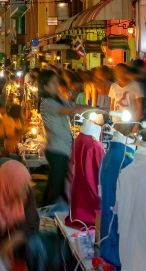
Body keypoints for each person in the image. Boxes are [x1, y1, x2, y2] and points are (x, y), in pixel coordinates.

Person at [0, 160, 58, 270]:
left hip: (12, 240)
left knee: (36, 244)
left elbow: (31, 224)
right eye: (20, 185)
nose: (25, 190)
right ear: (8, 184)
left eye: (25, 185)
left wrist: (11, 243)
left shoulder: (26, 193)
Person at [38, 69, 97, 205]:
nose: (57, 85)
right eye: (53, 83)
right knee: (56, 188)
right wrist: (94, 110)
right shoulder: (47, 103)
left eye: (56, 82)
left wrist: (94, 108)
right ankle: (48, 214)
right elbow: (70, 111)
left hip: (63, 149)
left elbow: (73, 105)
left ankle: (46, 212)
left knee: (55, 184)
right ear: (45, 86)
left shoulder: (58, 100)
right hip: (57, 150)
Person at [109, 64, 144, 134]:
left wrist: (137, 125)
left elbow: (139, 106)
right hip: (116, 121)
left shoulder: (135, 85)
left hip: (130, 121)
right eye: (117, 71)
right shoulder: (113, 86)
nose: (119, 73)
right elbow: (112, 104)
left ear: (127, 72)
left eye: (122, 71)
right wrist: (111, 118)